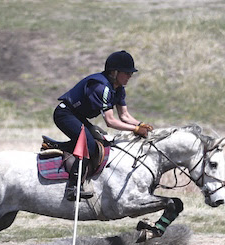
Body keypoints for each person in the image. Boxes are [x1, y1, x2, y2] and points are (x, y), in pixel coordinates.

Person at [54, 50, 154, 201]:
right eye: (126, 73)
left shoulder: (118, 89)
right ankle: (72, 186)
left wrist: (141, 124)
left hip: (77, 116)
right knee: (88, 143)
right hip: (65, 114)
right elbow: (110, 121)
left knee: (102, 140)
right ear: (114, 72)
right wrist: (135, 129)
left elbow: (125, 116)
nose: (130, 76)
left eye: (130, 73)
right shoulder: (101, 88)